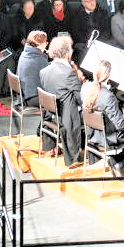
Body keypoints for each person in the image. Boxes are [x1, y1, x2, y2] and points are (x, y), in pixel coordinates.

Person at [37, 34, 84, 166]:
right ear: (67, 53)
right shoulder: (68, 73)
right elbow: (82, 99)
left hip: (52, 114)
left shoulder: (44, 71)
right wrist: (82, 80)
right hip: (67, 117)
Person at [81, 60, 124, 173]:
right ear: (109, 76)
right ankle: (119, 162)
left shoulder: (85, 88)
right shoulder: (108, 96)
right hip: (107, 138)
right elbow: (120, 125)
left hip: (92, 134)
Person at [16, 30, 49, 106]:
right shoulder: (39, 59)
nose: (47, 44)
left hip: (23, 96)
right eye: (46, 42)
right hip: (33, 98)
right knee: (64, 96)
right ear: (39, 44)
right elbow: (49, 79)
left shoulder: (24, 53)